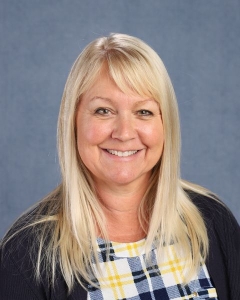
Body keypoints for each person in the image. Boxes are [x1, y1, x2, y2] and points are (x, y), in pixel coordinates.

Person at [0, 33, 239, 300]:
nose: (124, 133)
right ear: (73, 121)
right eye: (103, 110)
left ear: (165, 125)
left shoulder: (212, 221)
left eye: (144, 112)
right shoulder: (25, 254)